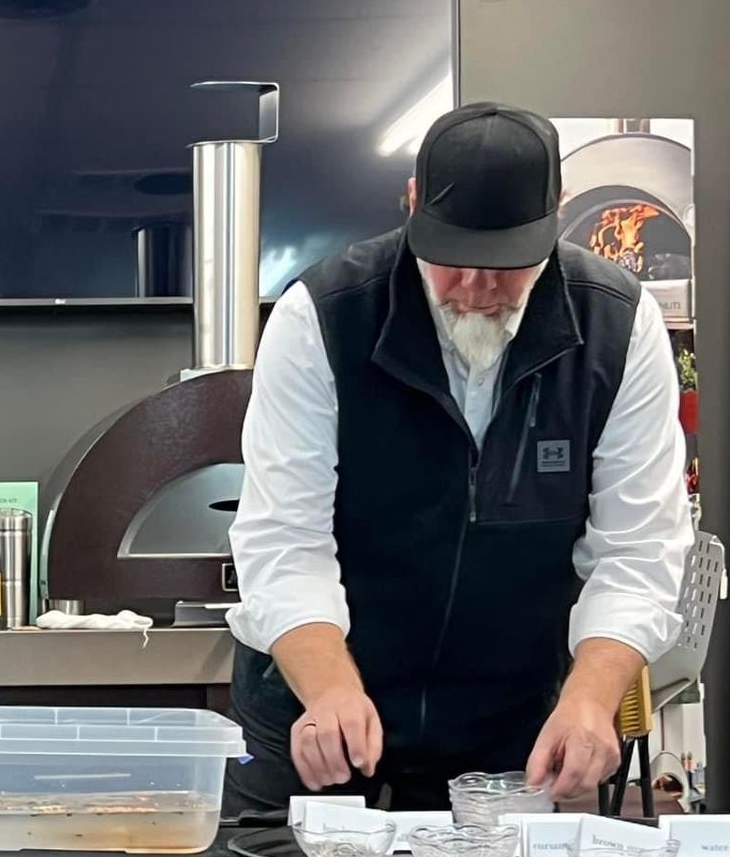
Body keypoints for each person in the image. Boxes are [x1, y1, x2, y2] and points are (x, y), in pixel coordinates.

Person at [225, 101, 691, 819]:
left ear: (555, 216)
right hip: (316, 705)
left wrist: (591, 700)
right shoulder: (322, 315)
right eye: (451, 258)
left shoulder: (618, 329)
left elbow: (637, 551)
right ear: (412, 206)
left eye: (507, 264)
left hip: (505, 721)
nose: (476, 290)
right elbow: (285, 542)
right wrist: (330, 689)